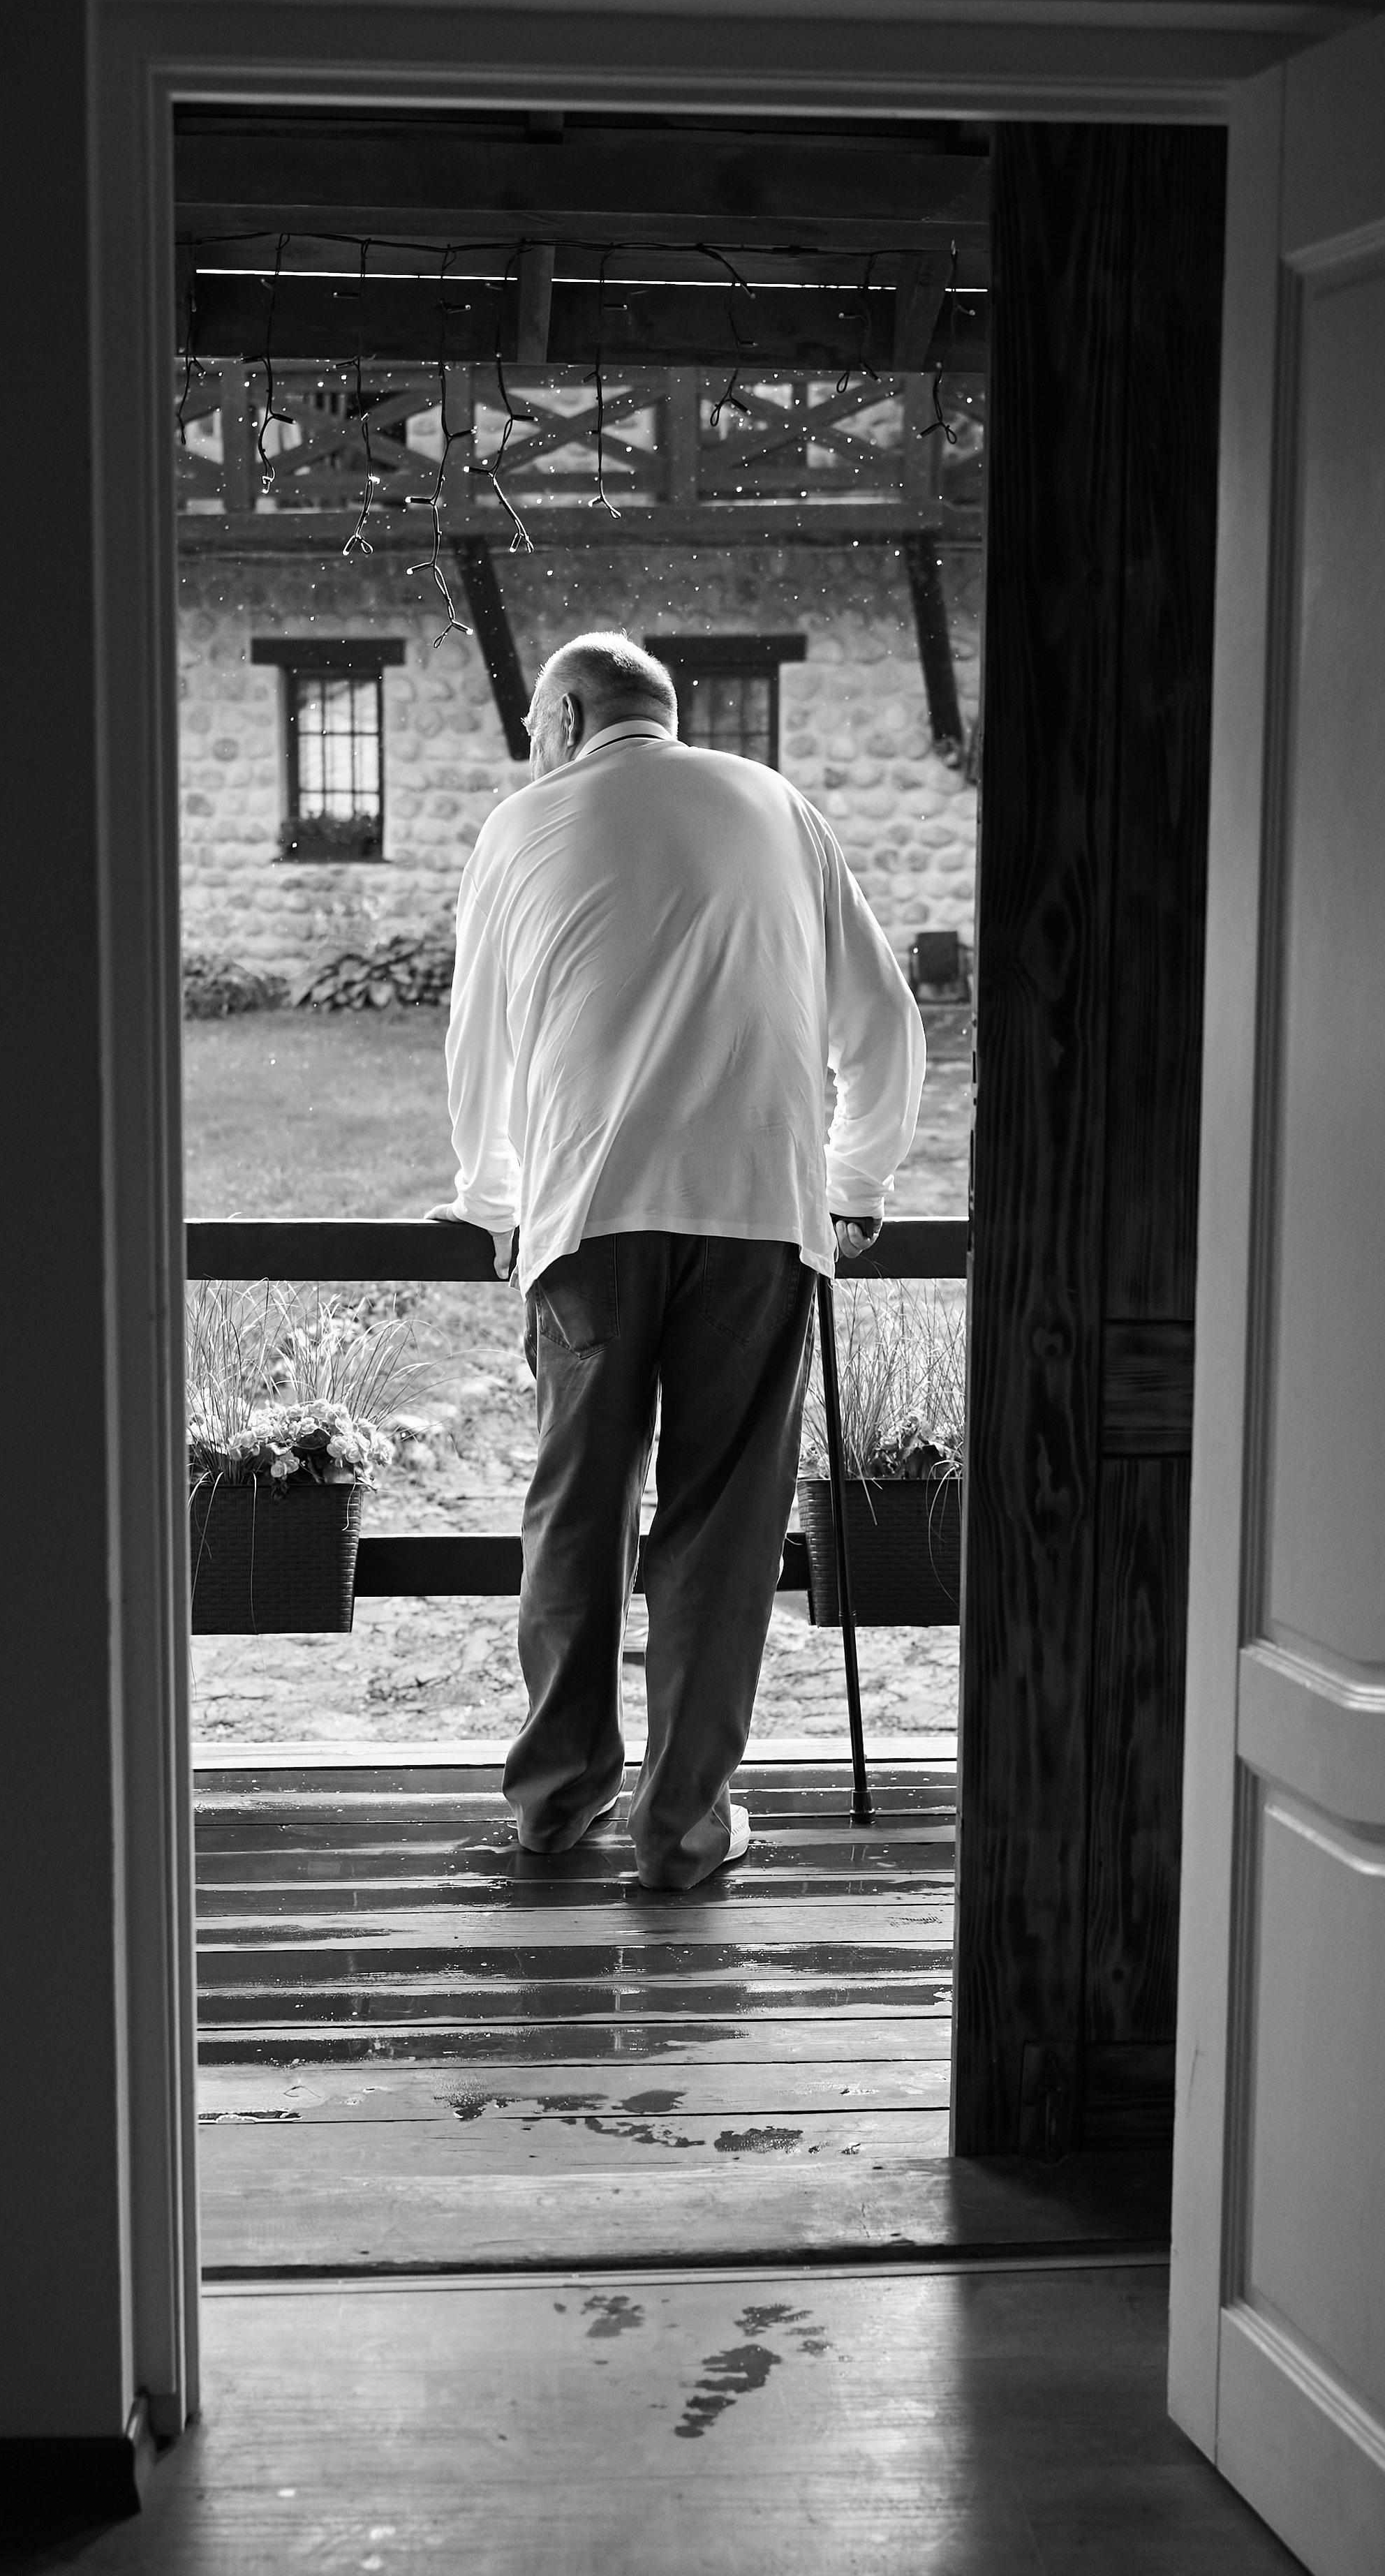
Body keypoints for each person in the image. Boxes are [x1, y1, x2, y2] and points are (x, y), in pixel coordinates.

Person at [428, 632, 924, 1890]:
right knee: (723, 1524)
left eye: (537, 723)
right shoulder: (777, 805)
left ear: (570, 714)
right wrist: (857, 1184)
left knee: (578, 1507)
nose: (531, 747)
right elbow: (885, 1026)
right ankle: (682, 1831)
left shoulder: (523, 824)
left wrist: (493, 1199)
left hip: (589, 1214)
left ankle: (556, 1802)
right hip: (759, 1210)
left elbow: (478, 1037)